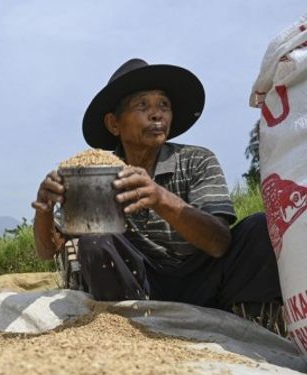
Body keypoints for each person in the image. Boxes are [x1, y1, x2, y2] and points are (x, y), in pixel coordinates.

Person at [32, 58, 284, 333]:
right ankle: (122, 328)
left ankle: (258, 324)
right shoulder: (98, 174)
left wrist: (160, 198)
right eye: (143, 106)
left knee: (259, 227)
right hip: (138, 288)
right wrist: (43, 210)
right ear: (114, 123)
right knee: (93, 242)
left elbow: (219, 244)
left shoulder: (196, 160)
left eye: (163, 105)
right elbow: (48, 251)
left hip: (206, 280)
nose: (157, 115)